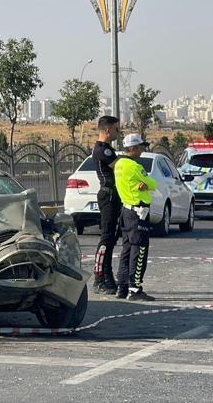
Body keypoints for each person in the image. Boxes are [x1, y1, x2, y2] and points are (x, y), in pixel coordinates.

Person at [115, 133, 157, 301]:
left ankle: (122, 287)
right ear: (132, 148)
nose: (141, 150)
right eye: (139, 147)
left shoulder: (118, 165)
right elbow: (153, 184)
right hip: (138, 212)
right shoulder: (134, 166)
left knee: (126, 249)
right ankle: (135, 288)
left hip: (126, 210)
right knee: (139, 250)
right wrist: (146, 184)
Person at [91, 115, 123, 295]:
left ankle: (108, 277)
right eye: (116, 129)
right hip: (108, 196)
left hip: (113, 196)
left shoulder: (108, 149)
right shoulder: (103, 150)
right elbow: (120, 167)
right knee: (105, 238)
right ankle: (99, 278)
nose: (118, 133)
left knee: (111, 239)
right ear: (108, 130)